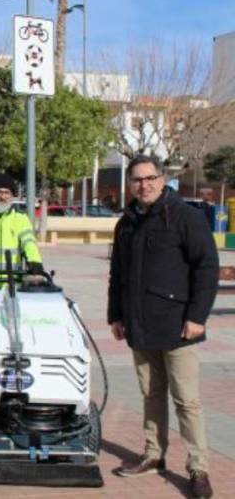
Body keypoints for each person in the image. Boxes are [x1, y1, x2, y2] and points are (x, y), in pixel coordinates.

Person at [108, 155, 218, 499]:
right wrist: (116, 314)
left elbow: (206, 268)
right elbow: (118, 274)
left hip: (178, 327)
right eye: (137, 179)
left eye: (150, 178)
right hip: (140, 326)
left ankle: (198, 467)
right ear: (131, 183)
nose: (144, 185)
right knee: (151, 395)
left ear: (163, 179)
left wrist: (197, 317)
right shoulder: (126, 222)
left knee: (186, 401)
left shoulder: (185, 216)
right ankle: (154, 453)